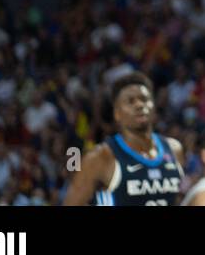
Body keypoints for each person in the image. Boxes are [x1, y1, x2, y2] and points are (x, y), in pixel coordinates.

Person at [63, 72, 185, 206]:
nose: (139, 105)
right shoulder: (93, 153)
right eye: (130, 101)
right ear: (116, 113)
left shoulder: (174, 149)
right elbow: (71, 168)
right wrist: (71, 170)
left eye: (144, 99)